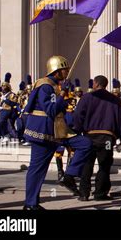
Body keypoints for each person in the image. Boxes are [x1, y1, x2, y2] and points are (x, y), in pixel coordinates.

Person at [23, 56, 92, 210]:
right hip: (44, 132)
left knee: (85, 144)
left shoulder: (54, 85)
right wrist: (63, 94)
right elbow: (52, 110)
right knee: (38, 169)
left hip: (58, 130)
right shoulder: (46, 86)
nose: (67, 72)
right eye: (65, 69)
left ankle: (69, 176)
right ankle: (30, 204)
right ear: (56, 70)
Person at [74, 75, 121, 201]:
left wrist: (77, 130)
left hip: (89, 136)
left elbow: (78, 115)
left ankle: (84, 193)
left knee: (87, 164)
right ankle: (100, 193)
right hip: (107, 138)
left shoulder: (87, 97)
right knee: (104, 165)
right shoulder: (115, 100)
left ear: (95, 84)